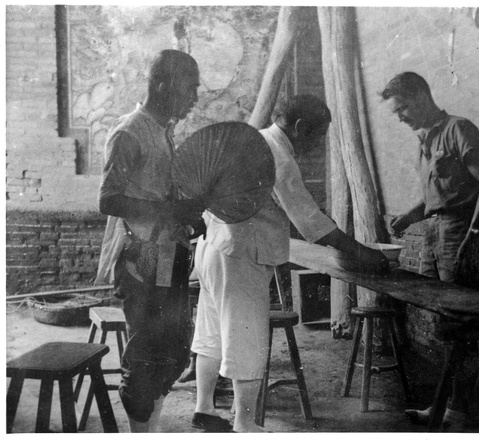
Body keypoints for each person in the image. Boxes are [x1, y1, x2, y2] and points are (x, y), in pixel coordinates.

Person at [190, 94, 389, 433]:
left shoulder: (252, 140)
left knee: (212, 334)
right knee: (247, 339)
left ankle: (204, 408)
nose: (317, 143)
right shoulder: (278, 156)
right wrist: (362, 252)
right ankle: (245, 424)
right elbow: (309, 220)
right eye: (319, 134)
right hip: (240, 256)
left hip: (212, 247)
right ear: (299, 127)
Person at [381, 72, 479, 431]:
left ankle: (457, 413)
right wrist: (408, 217)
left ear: (420, 96)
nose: (399, 116)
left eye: (402, 108)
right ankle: (441, 408)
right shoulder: (425, 140)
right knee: (448, 326)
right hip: (438, 234)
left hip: (464, 233)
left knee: (461, 327)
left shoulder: (459, 129)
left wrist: (474, 236)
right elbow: (439, 198)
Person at [95, 49, 206, 432]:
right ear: (163, 86)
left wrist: (187, 216)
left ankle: (150, 430)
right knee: (145, 357)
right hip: (139, 258)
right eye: (190, 88)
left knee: (173, 354)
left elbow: (158, 192)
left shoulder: (164, 130)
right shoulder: (130, 131)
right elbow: (107, 199)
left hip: (167, 256)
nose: (195, 97)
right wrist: (171, 213)